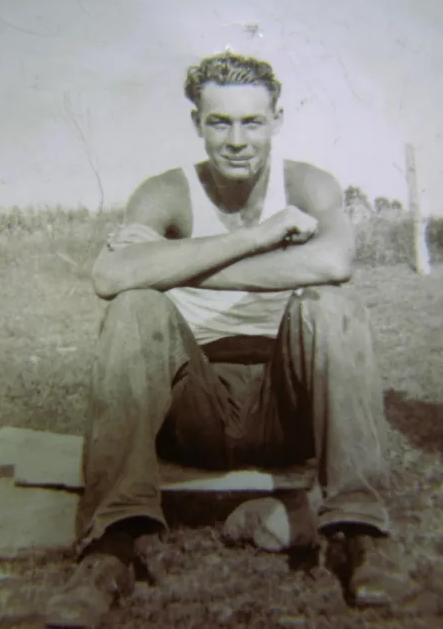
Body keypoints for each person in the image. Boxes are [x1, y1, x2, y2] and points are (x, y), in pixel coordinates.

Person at [45, 51, 406, 628]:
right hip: (195, 410)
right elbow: (111, 277)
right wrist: (265, 237)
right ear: (197, 124)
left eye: (252, 122)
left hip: (285, 409)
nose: (237, 140)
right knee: (135, 307)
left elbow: (335, 261)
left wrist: (174, 264)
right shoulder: (168, 192)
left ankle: (361, 534)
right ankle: (110, 548)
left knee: (334, 306)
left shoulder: (308, 184)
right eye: (219, 122)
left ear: (277, 120)